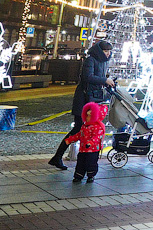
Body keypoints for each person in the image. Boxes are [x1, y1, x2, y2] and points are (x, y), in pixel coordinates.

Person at [49, 40, 116, 170]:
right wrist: (104, 80)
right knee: (78, 129)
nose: (108, 54)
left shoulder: (103, 61)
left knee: (84, 130)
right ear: (99, 51)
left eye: (109, 51)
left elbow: (97, 79)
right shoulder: (90, 60)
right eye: (106, 51)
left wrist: (107, 81)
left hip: (91, 101)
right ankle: (58, 157)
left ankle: (65, 157)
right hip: (83, 100)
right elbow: (87, 77)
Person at [64, 101, 107, 182]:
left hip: (93, 149)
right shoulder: (85, 126)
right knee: (80, 162)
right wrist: (70, 139)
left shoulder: (98, 127)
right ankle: (78, 175)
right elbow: (79, 135)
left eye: (89, 116)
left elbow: (97, 137)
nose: (87, 117)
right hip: (83, 149)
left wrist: (90, 143)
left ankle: (91, 175)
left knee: (91, 163)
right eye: (87, 115)